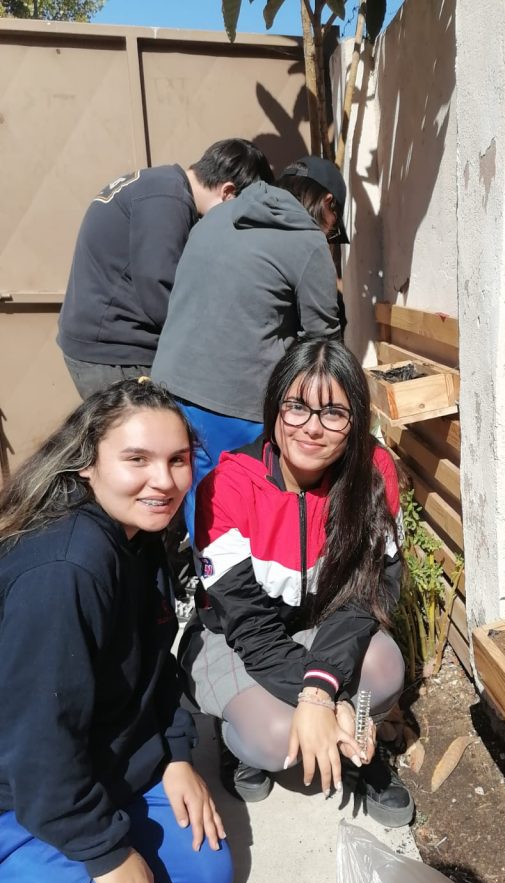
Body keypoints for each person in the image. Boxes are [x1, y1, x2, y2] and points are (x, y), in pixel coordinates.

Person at [0, 379, 232, 883]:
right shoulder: (65, 570)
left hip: (92, 763)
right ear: (87, 460)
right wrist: (107, 853)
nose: (163, 480)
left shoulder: (140, 536)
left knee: (206, 882)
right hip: (17, 793)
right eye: (137, 459)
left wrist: (174, 753)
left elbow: (156, 667)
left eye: (178, 459)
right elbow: (38, 746)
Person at [179, 341, 414, 828]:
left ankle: (358, 751)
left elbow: (366, 595)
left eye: (334, 412)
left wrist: (323, 690)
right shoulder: (227, 486)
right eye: (297, 406)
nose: (311, 426)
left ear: (356, 421)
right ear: (274, 408)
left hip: (321, 625)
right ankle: (237, 742)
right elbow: (248, 624)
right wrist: (316, 698)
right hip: (237, 637)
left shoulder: (373, 474)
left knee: (386, 668)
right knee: (272, 738)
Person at [151, 155, 348, 538]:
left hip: (170, 390)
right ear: (328, 206)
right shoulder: (307, 242)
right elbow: (323, 347)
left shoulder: (217, 218)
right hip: (236, 406)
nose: (328, 239)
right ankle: (239, 592)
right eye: (333, 232)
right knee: (241, 510)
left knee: (195, 501)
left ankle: (203, 586)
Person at [57, 138, 273, 399]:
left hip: (101, 345)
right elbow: (160, 290)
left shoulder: (160, 185)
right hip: (115, 354)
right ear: (228, 192)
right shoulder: (168, 199)